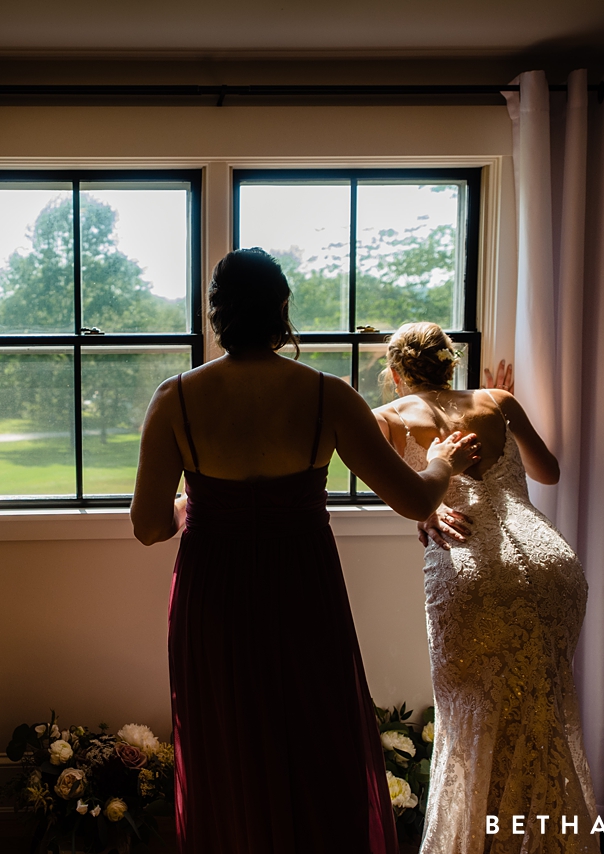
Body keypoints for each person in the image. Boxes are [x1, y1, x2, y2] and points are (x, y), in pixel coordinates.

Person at [130, 250, 479, 854]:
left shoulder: (176, 399)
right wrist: (443, 461)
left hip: (214, 597)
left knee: (226, 744)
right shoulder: (327, 396)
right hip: (302, 591)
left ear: (216, 313)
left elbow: (148, 526)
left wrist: (196, 504)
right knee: (316, 738)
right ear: (282, 310)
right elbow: (414, 499)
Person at [371, 323, 599, 854]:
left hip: (470, 565)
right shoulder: (498, 400)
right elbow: (550, 471)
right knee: (543, 708)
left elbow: (398, 492)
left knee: (473, 716)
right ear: (451, 364)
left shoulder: (385, 417)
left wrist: (424, 515)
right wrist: (507, 410)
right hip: (551, 563)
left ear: (398, 373)